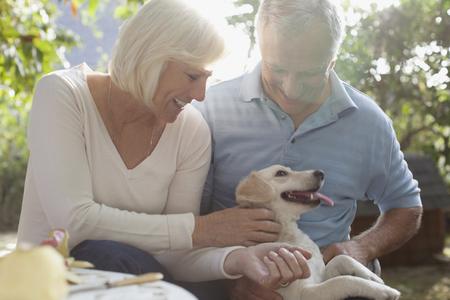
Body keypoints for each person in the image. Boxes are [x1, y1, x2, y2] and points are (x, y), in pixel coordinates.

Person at [16, 0, 311, 294]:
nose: (200, 94)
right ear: (150, 57)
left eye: (207, 79)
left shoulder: (191, 130)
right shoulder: (62, 94)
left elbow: (175, 252)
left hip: (138, 284)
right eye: (193, 76)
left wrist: (237, 259)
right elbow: (74, 221)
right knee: (102, 252)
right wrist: (198, 229)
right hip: (49, 283)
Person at [194, 0, 423, 298]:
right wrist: (230, 278)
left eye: (309, 73)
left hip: (326, 279)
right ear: (259, 45)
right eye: (277, 69)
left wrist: (360, 247)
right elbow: (186, 219)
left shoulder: (369, 123)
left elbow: (406, 206)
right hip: (230, 281)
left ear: (332, 60)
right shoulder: (210, 108)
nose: (290, 89)